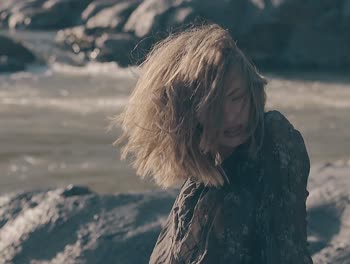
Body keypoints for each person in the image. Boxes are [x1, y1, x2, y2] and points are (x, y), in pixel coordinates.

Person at [113, 23, 312, 264]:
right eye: (214, 106)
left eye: (236, 97)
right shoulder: (197, 186)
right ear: (186, 114)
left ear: (252, 91)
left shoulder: (273, 138)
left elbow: (286, 250)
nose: (231, 116)